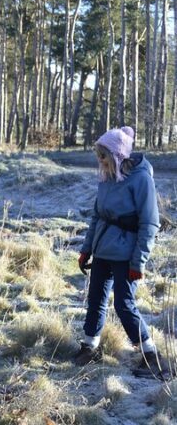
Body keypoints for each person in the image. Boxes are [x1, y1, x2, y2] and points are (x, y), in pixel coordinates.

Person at [74, 126, 167, 380]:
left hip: (127, 255)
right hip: (103, 250)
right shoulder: (106, 178)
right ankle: (89, 347)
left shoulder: (141, 179)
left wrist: (139, 261)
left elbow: (149, 223)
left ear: (117, 156)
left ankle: (151, 355)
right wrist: (86, 250)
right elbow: (97, 216)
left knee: (124, 305)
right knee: (95, 299)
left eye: (104, 156)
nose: (100, 162)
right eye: (98, 156)